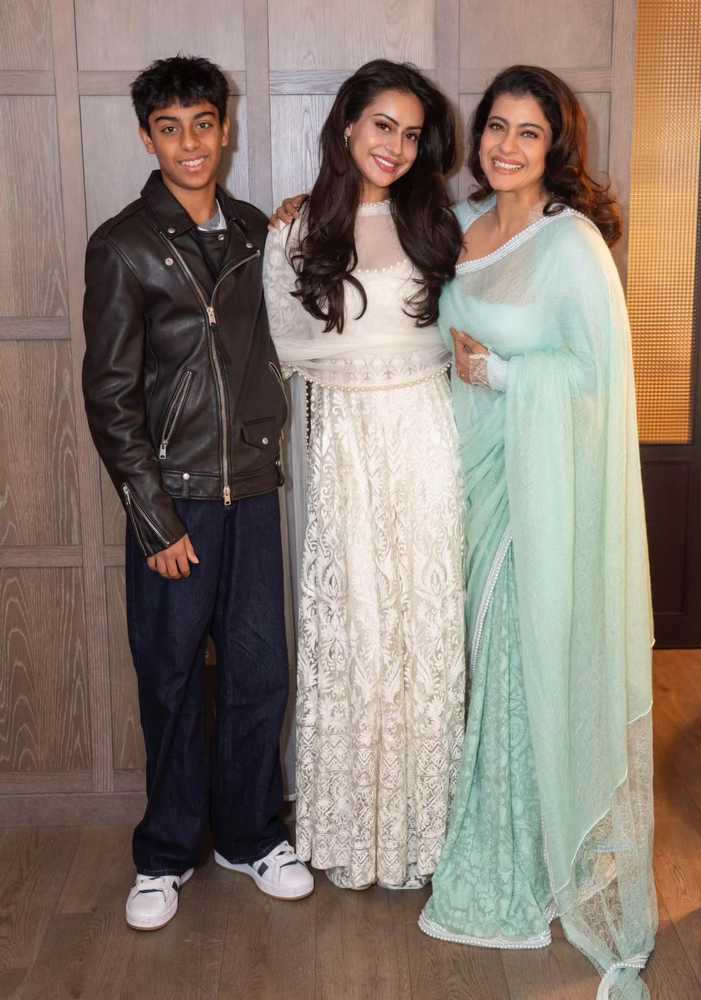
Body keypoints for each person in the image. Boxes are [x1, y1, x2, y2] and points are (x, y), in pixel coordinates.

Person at [416, 66, 657, 999]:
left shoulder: (573, 243)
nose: (507, 147)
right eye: (496, 128)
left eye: (529, 133)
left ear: (556, 147)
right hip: (462, 479)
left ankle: (523, 846)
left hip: (535, 492)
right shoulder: (463, 226)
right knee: (474, 662)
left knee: (519, 661)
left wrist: (507, 377)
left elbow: (595, 378)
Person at [81, 55, 313, 932]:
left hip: (251, 489)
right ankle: (164, 854)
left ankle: (251, 836)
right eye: (170, 128)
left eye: (203, 124)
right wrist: (154, 520)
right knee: (171, 679)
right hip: (174, 501)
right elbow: (111, 397)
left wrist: (302, 218)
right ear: (148, 138)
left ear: (226, 128)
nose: (190, 144)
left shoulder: (255, 232)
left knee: (259, 671)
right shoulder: (123, 245)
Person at [262, 59, 466, 891]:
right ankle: (355, 831)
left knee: (423, 628)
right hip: (344, 447)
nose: (396, 146)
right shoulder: (295, 232)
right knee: (355, 626)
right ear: (347, 124)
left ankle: (427, 831)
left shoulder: (440, 225)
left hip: (427, 439)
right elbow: (287, 348)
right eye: (383, 125)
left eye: (412, 134)